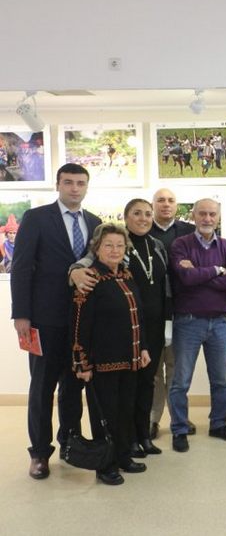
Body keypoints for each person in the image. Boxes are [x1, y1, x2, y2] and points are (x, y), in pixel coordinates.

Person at [12, 164, 101, 480]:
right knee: (41, 389)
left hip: (81, 320)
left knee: (73, 387)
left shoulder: (95, 223)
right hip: (44, 319)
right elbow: (21, 268)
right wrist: (21, 314)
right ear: (58, 184)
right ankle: (39, 453)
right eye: (68, 182)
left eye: (80, 183)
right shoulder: (37, 219)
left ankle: (70, 443)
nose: (75, 188)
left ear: (87, 186)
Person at [70, 199, 170, 458]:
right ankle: (127, 444)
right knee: (121, 394)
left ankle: (142, 435)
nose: (143, 218)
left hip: (149, 331)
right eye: (137, 213)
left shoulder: (157, 246)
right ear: (126, 217)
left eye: (148, 214)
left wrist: (166, 323)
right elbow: (85, 265)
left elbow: (164, 286)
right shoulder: (113, 252)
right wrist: (74, 272)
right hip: (117, 337)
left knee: (146, 384)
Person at [71, 223, 151, 485]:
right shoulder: (91, 278)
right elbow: (80, 325)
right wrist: (81, 363)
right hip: (102, 362)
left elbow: (138, 315)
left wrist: (144, 349)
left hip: (131, 359)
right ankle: (106, 465)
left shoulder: (127, 276)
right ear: (97, 248)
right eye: (108, 245)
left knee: (125, 410)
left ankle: (124, 456)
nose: (115, 250)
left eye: (119, 245)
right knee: (105, 414)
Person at [168, 199, 226, 451]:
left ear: (218, 217)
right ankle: (179, 429)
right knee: (180, 381)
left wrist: (200, 272)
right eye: (203, 214)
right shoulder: (180, 245)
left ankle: (218, 424)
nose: (207, 218)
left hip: (219, 322)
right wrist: (216, 270)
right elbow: (185, 278)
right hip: (188, 321)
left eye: (212, 214)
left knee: (220, 380)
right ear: (194, 215)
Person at [148, 188, 197, 440]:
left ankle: (180, 417)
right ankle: (152, 420)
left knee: (177, 369)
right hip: (152, 312)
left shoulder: (189, 232)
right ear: (152, 205)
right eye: (160, 200)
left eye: (171, 200)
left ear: (176, 205)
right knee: (154, 371)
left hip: (182, 310)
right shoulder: (143, 230)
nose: (166, 204)